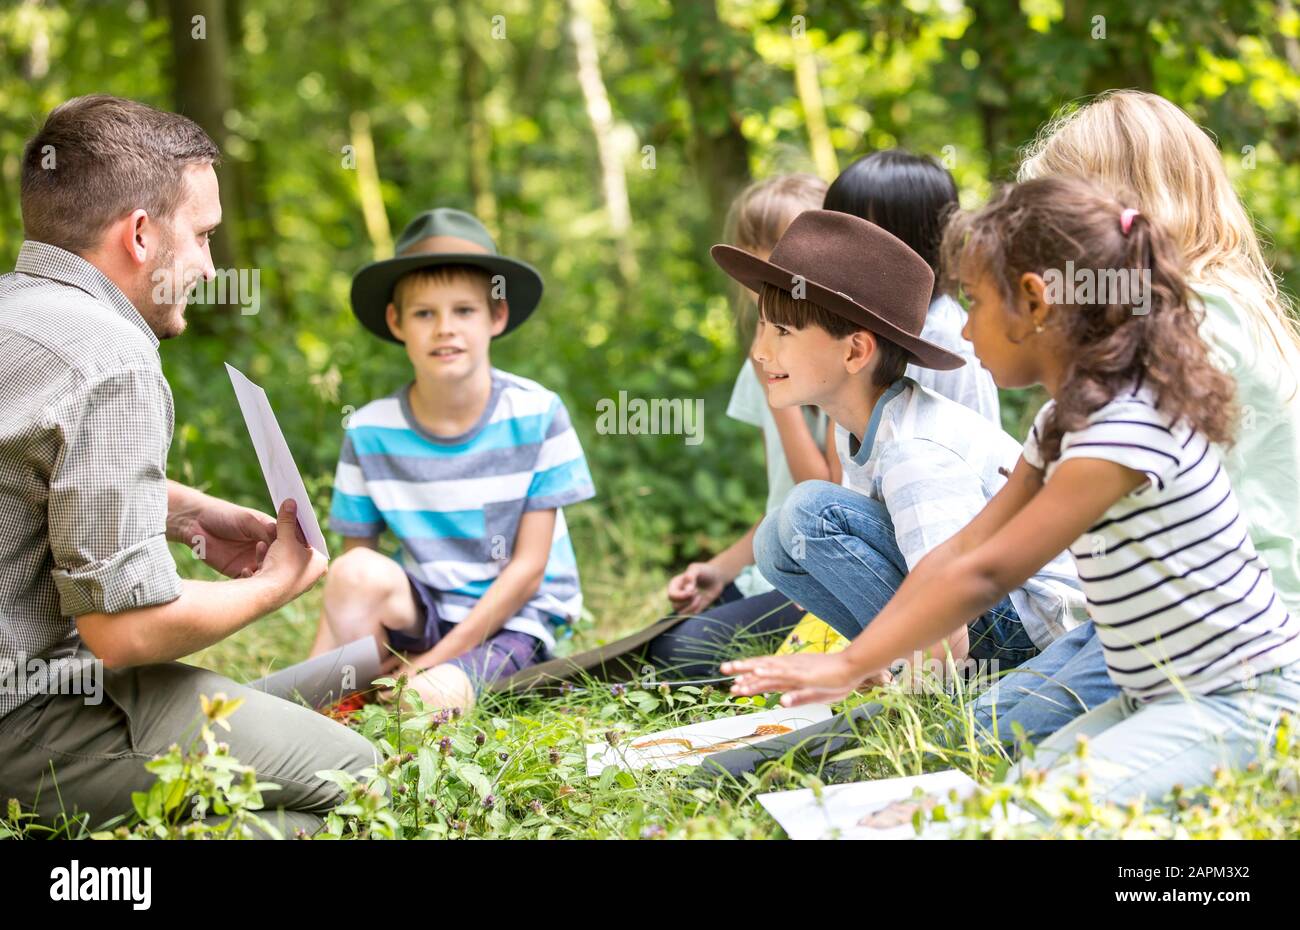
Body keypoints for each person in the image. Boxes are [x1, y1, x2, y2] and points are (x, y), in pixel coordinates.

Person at [726, 177, 1300, 809]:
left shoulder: (1123, 431)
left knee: (1028, 810)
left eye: (973, 302)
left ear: (1035, 302)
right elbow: (961, 550)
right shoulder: (1061, 422)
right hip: (1147, 685)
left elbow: (986, 571)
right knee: (990, 780)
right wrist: (863, 659)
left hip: (1241, 697)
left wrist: (846, 665)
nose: (965, 332)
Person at [0, 95, 375, 838]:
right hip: (26, 719)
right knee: (352, 777)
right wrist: (278, 586)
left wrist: (182, 513)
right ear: (140, 235)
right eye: (202, 236)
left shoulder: (18, 313)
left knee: (279, 715)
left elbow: (29, 472)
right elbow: (126, 633)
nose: (209, 265)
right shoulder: (111, 356)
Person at [969, 90, 1300, 747]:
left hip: (1229, 628)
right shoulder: (1221, 301)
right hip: (1159, 610)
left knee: (985, 734)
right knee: (980, 725)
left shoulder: (1195, 319)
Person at [716, 208, 1084, 669]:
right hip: (978, 614)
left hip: (1030, 628)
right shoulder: (853, 427)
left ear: (855, 351)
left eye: (782, 331)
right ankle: (904, 671)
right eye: (762, 327)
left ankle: (939, 687)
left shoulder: (915, 451)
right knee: (774, 540)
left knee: (810, 511)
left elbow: (949, 601)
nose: (759, 351)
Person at [309, 208, 595, 712]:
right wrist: (314, 684)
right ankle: (352, 696)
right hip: (428, 610)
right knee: (352, 572)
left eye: (464, 311)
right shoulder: (371, 431)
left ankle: (407, 691)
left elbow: (528, 569)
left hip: (514, 619)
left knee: (423, 701)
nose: (445, 329)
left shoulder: (537, 413)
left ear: (496, 317)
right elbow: (354, 574)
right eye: (424, 314)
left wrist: (431, 662)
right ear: (397, 322)